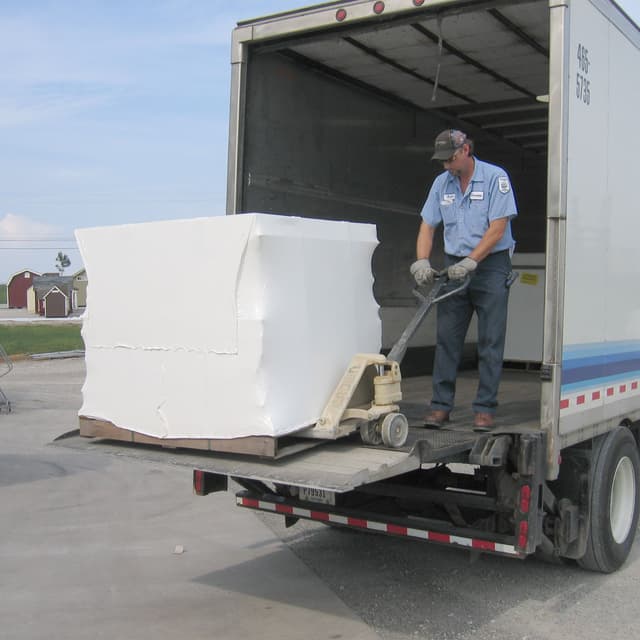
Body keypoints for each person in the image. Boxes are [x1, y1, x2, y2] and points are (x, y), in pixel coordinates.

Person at [410, 129, 517, 431]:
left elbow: (497, 228)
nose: (446, 166)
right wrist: (421, 260)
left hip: (491, 266)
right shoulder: (441, 184)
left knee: (490, 340)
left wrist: (472, 261)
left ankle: (484, 409)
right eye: (442, 160)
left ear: (466, 150)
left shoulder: (496, 178)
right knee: (447, 339)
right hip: (454, 266)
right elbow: (428, 225)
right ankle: (440, 406)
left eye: (451, 158)